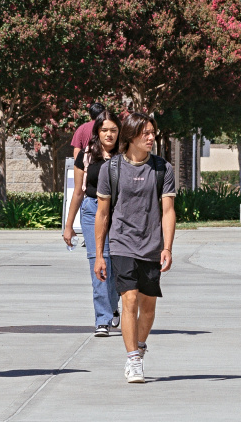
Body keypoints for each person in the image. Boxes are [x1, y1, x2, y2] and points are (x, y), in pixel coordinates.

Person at [95, 112, 176, 384]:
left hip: (152, 245)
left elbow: (168, 211)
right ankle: (133, 359)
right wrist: (99, 254)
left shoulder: (162, 168)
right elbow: (103, 214)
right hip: (121, 243)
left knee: (148, 306)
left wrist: (167, 247)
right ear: (131, 136)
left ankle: (140, 346)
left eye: (153, 133)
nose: (151, 137)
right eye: (146, 133)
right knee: (128, 299)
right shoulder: (111, 169)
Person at [63, 110, 121, 335]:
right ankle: (102, 320)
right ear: (97, 131)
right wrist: (68, 226)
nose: (109, 134)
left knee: (116, 264)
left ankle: (113, 307)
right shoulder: (86, 156)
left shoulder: (125, 155)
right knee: (98, 262)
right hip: (91, 210)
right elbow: (78, 192)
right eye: (104, 130)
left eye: (114, 130)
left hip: (118, 212)